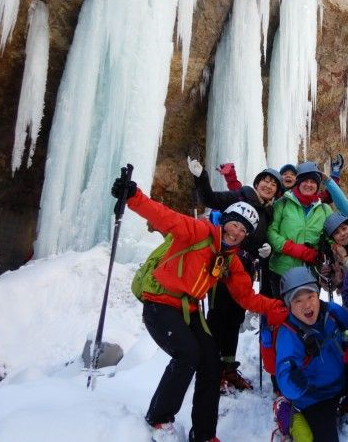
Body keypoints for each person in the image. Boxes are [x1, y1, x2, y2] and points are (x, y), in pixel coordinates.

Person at [111, 178, 288, 442]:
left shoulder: (230, 260)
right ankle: (159, 418)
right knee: (188, 354)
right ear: (225, 221)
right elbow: (164, 217)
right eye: (235, 224)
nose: (237, 232)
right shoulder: (198, 231)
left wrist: (284, 308)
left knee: (211, 363)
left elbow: (247, 298)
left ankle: (204, 435)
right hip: (160, 303)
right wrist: (133, 196)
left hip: (189, 310)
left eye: (244, 230)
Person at [187, 157, 283, 390]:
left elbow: (259, 243)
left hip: (246, 272)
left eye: (273, 184)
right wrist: (201, 177)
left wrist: (265, 253)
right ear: (257, 183)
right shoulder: (240, 196)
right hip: (223, 266)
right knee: (218, 316)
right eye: (265, 181)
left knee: (234, 319)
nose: (268, 185)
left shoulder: (269, 214)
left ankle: (227, 368)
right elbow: (210, 199)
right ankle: (211, 369)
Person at [274, 267, 348, 442]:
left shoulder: (332, 312)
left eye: (310, 296)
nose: (307, 305)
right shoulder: (289, 333)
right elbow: (285, 370)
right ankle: (287, 413)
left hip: (339, 381)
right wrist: (295, 383)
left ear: (317, 294)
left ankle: (347, 408)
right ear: (289, 304)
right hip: (314, 396)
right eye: (298, 300)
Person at [267, 162, 333, 298]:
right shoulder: (282, 203)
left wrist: (327, 256)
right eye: (305, 181)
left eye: (313, 181)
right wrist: (295, 250)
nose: (309, 185)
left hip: (311, 272)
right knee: (281, 313)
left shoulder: (325, 209)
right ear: (299, 182)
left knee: (307, 314)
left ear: (318, 185)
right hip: (281, 270)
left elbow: (332, 237)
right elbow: (271, 232)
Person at [320, 212, 348, 293]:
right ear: (333, 238)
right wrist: (326, 277)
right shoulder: (335, 253)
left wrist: (345, 258)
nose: (342, 234)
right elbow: (331, 288)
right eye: (336, 233)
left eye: (344, 228)